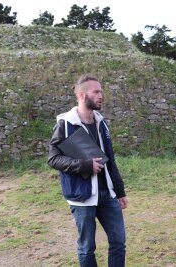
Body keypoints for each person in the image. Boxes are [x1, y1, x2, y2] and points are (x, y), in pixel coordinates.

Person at [48, 74, 128, 267]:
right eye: (97, 91)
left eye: (101, 91)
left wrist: (119, 191)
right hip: (82, 196)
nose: (101, 95)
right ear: (82, 95)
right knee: (87, 247)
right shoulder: (65, 125)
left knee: (119, 242)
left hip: (107, 194)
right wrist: (84, 165)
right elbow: (54, 159)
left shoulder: (102, 123)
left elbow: (111, 160)